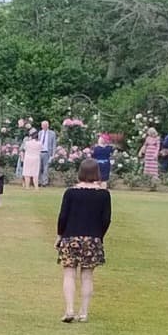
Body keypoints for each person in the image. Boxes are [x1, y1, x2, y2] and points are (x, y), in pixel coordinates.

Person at [55, 157, 111, 323]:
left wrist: (60, 235)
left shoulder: (71, 192)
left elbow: (63, 216)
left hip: (71, 237)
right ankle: (84, 312)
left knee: (69, 274)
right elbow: (106, 219)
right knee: (87, 276)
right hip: (93, 238)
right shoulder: (103, 195)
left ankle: (69, 309)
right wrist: (98, 236)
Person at [36, 120, 56, 186]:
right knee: (38, 168)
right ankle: (38, 182)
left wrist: (53, 155)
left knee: (45, 168)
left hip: (47, 152)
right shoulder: (40, 133)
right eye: (43, 125)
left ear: (48, 125)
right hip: (39, 152)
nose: (44, 126)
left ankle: (45, 182)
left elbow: (54, 145)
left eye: (45, 125)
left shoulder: (52, 133)